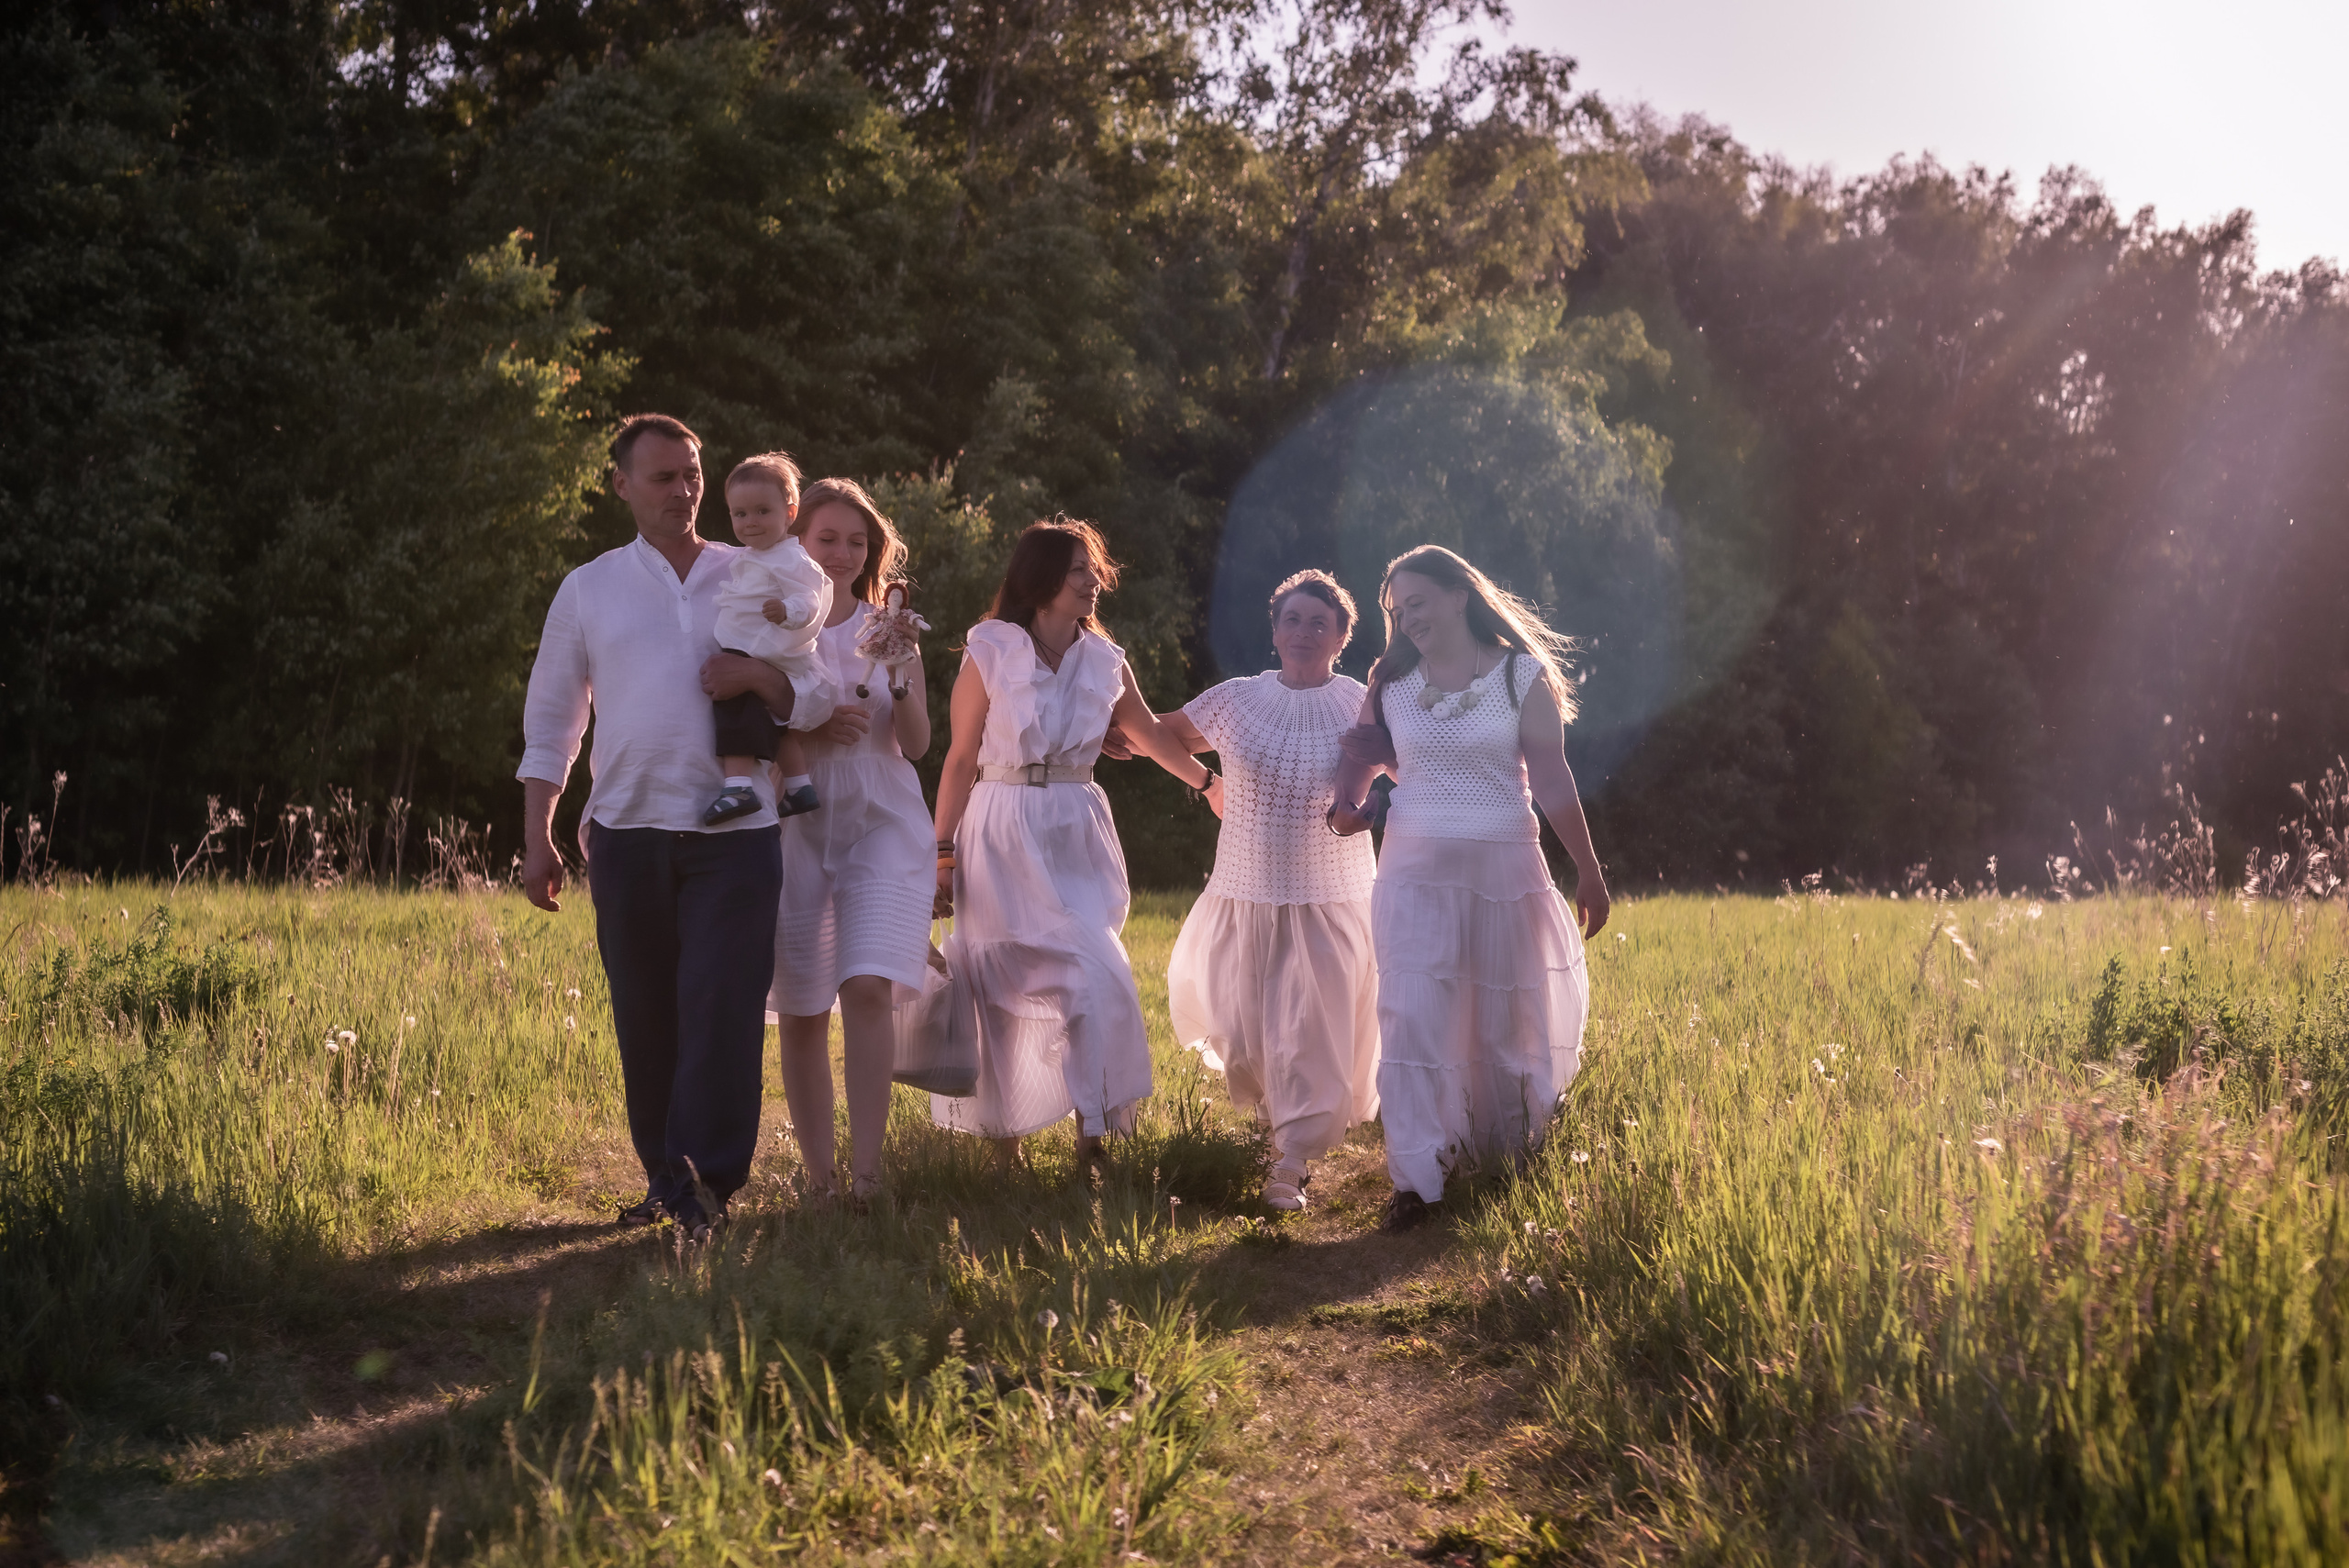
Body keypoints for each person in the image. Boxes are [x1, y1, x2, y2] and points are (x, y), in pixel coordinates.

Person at [519, 414, 821, 1241]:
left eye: (693, 473)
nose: (686, 490)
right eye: (664, 477)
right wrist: (536, 831)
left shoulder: (756, 571)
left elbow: (813, 694)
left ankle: (707, 1188)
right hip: (626, 833)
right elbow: (552, 719)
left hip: (738, 834)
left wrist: (757, 671)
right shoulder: (589, 587)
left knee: (723, 1008)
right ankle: (664, 1178)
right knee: (647, 1017)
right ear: (620, 484)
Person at [1332, 544, 1610, 1233]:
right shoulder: (1390, 677)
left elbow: (1551, 780)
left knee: (1508, 1021)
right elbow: (1361, 764)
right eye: (1397, 611)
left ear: (1460, 595)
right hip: (1414, 870)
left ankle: (1508, 1160)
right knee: (1412, 1013)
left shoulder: (1522, 675)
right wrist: (1348, 808)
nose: (1407, 619)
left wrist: (1591, 867)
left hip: (1505, 870)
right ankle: (1416, 1181)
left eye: (1418, 603)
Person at [930, 518, 1215, 1173]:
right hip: (1001, 822)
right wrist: (941, 853)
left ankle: (1094, 1133)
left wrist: (1206, 784)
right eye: (1078, 570)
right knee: (997, 986)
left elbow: (1145, 733)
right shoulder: (992, 647)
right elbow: (960, 757)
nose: (1094, 582)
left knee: (1097, 970)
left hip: (1076, 824)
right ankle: (1007, 1148)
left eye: (1094, 570)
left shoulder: (1105, 660)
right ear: (1040, 578)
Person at [1141, 570, 1380, 1211]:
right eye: (1293, 620)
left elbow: (1411, 766)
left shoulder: (1362, 701)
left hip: (1329, 895)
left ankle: (1290, 1163)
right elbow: (1152, 731)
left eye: (1319, 622)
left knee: (1311, 1033)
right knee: (1245, 1038)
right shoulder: (1236, 699)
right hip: (1243, 891)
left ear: (1340, 637)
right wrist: (1202, 781)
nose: (1304, 632)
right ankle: (1276, 1134)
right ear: (1275, 631)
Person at [769, 478, 933, 1207]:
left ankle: (868, 1176)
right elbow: (744, 727)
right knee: (804, 1004)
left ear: (873, 550)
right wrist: (807, 729)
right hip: (797, 815)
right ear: (800, 538)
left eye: (856, 541)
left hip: (881, 814)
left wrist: (899, 677)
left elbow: (920, 743)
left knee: (866, 987)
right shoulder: (772, 624)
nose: (841, 552)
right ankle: (820, 1180)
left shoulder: (889, 627)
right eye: (827, 537)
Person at [705, 453, 833, 825]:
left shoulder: (792, 558)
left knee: (733, 706)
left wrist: (788, 611)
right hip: (760, 646)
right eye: (739, 514)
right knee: (776, 723)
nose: (750, 522)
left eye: (762, 511)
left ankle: (738, 786)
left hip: (761, 648)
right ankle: (799, 786)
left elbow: (810, 598)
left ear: (790, 513)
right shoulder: (758, 555)